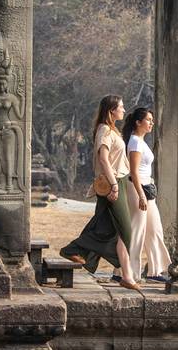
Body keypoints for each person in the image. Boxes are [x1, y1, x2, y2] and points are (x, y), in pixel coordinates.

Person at [59, 95, 140, 290]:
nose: (123, 109)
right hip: (112, 183)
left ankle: (126, 276)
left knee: (105, 226)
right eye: (120, 107)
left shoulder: (113, 130)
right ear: (111, 110)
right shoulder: (104, 130)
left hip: (118, 181)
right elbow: (103, 160)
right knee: (126, 232)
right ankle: (75, 250)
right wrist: (113, 185)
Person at [123, 107, 171, 283]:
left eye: (152, 120)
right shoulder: (134, 142)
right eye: (148, 120)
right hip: (138, 188)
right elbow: (133, 172)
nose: (151, 123)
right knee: (137, 231)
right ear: (138, 122)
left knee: (155, 228)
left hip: (146, 187)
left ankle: (155, 270)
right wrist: (141, 195)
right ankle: (126, 271)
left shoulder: (140, 141)